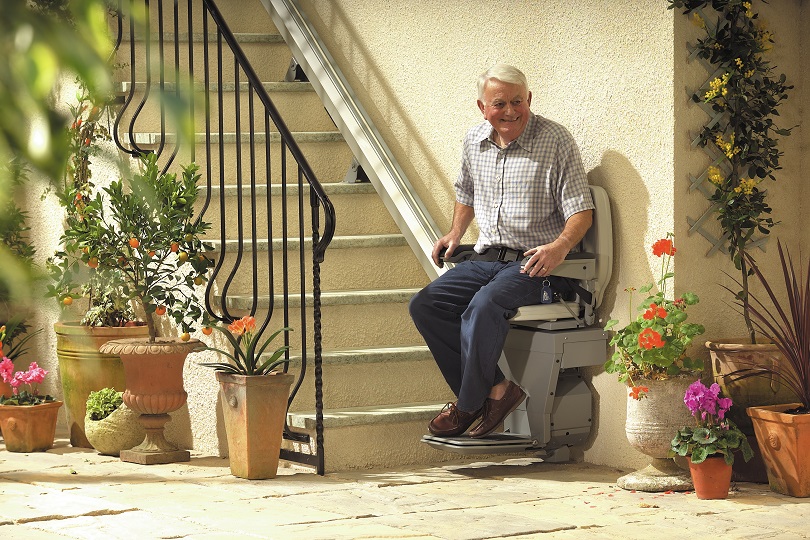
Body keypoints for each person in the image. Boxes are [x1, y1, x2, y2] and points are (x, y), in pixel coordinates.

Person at [409, 64, 594, 438]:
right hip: (486, 257)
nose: (510, 111)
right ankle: (497, 389)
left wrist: (560, 246)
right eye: (499, 104)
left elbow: (582, 211)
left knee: (484, 306)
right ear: (482, 107)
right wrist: (455, 231)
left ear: (529, 100)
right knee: (426, 305)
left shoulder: (556, 141)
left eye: (517, 101)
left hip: (536, 263)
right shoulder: (474, 140)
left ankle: (466, 406)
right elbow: (467, 193)